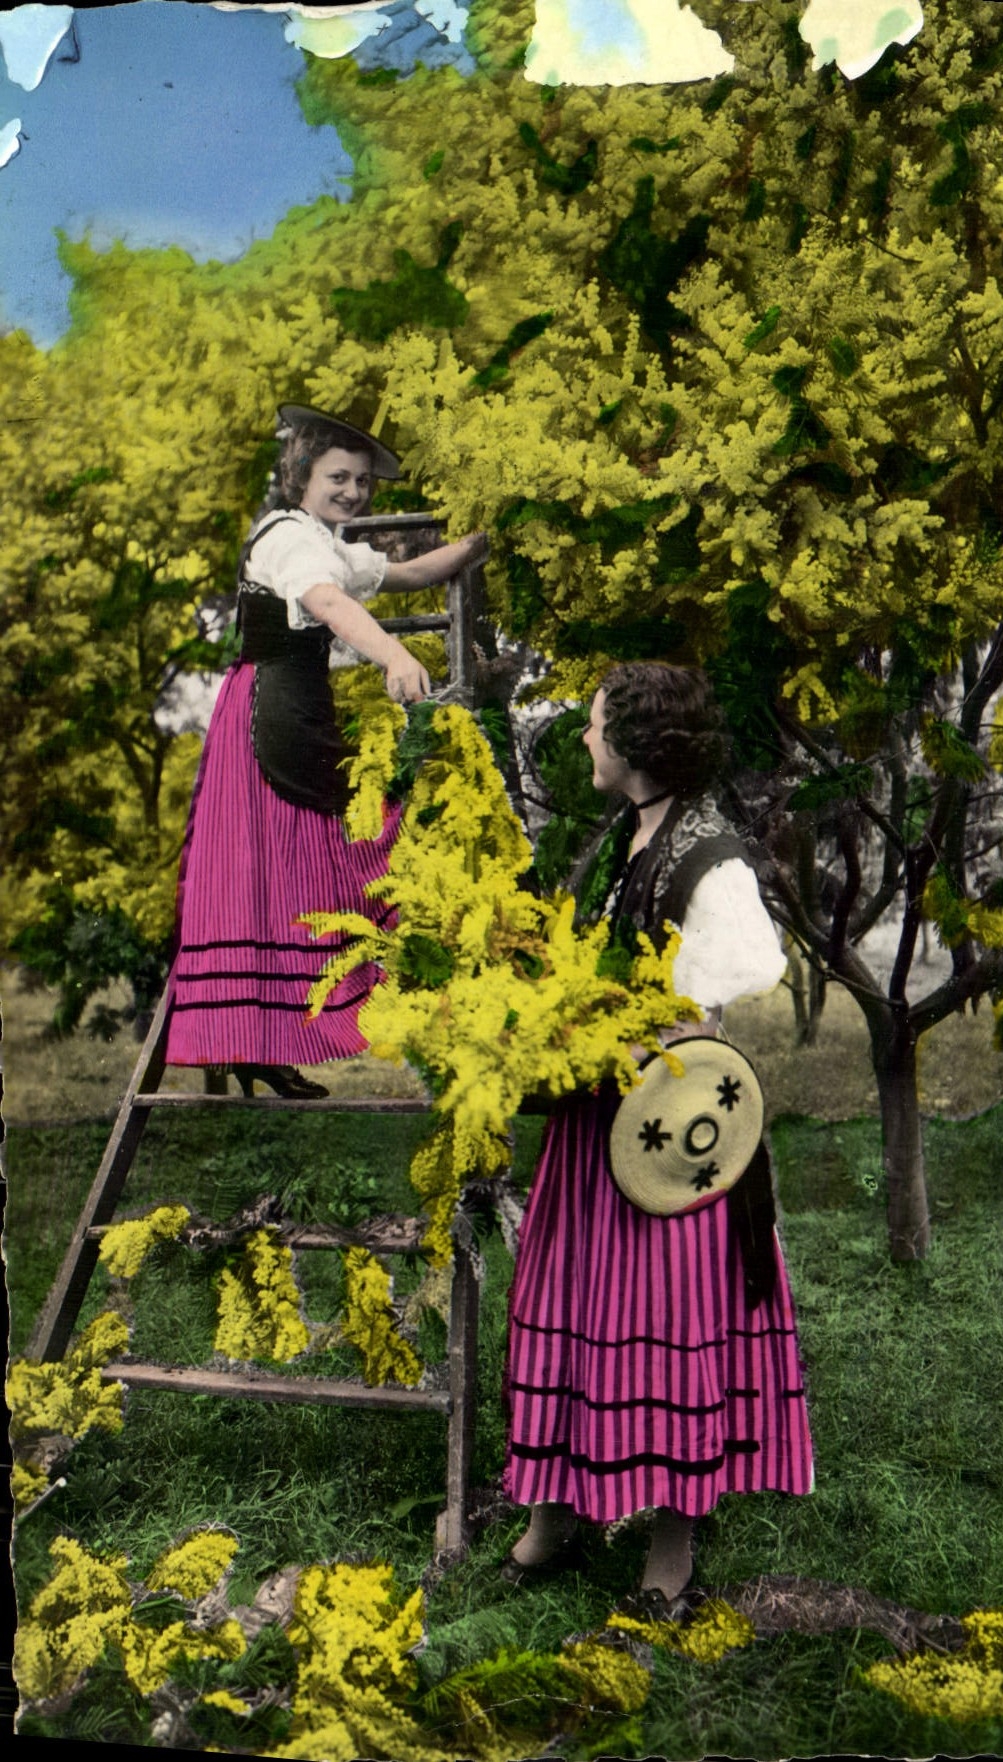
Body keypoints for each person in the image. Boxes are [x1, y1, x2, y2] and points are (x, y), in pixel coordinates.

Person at [502, 662, 814, 1609]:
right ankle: (553, 1513)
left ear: (634, 744)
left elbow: (743, 971)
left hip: (666, 1132)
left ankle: (669, 1546)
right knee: (567, 1300)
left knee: (661, 1323)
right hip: (595, 1122)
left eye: (597, 727)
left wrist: (659, 1027)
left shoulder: (706, 854)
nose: (587, 740)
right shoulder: (627, 836)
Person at [164, 405, 486, 1095]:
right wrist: (393, 652)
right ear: (301, 475)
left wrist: (474, 547)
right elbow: (330, 603)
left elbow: (400, 576)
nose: (353, 492)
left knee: (289, 864)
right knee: (330, 844)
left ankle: (264, 1039)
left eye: (363, 483)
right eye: (338, 477)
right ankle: (261, 1036)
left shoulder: (323, 539)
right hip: (272, 714)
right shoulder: (289, 539)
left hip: (294, 707)